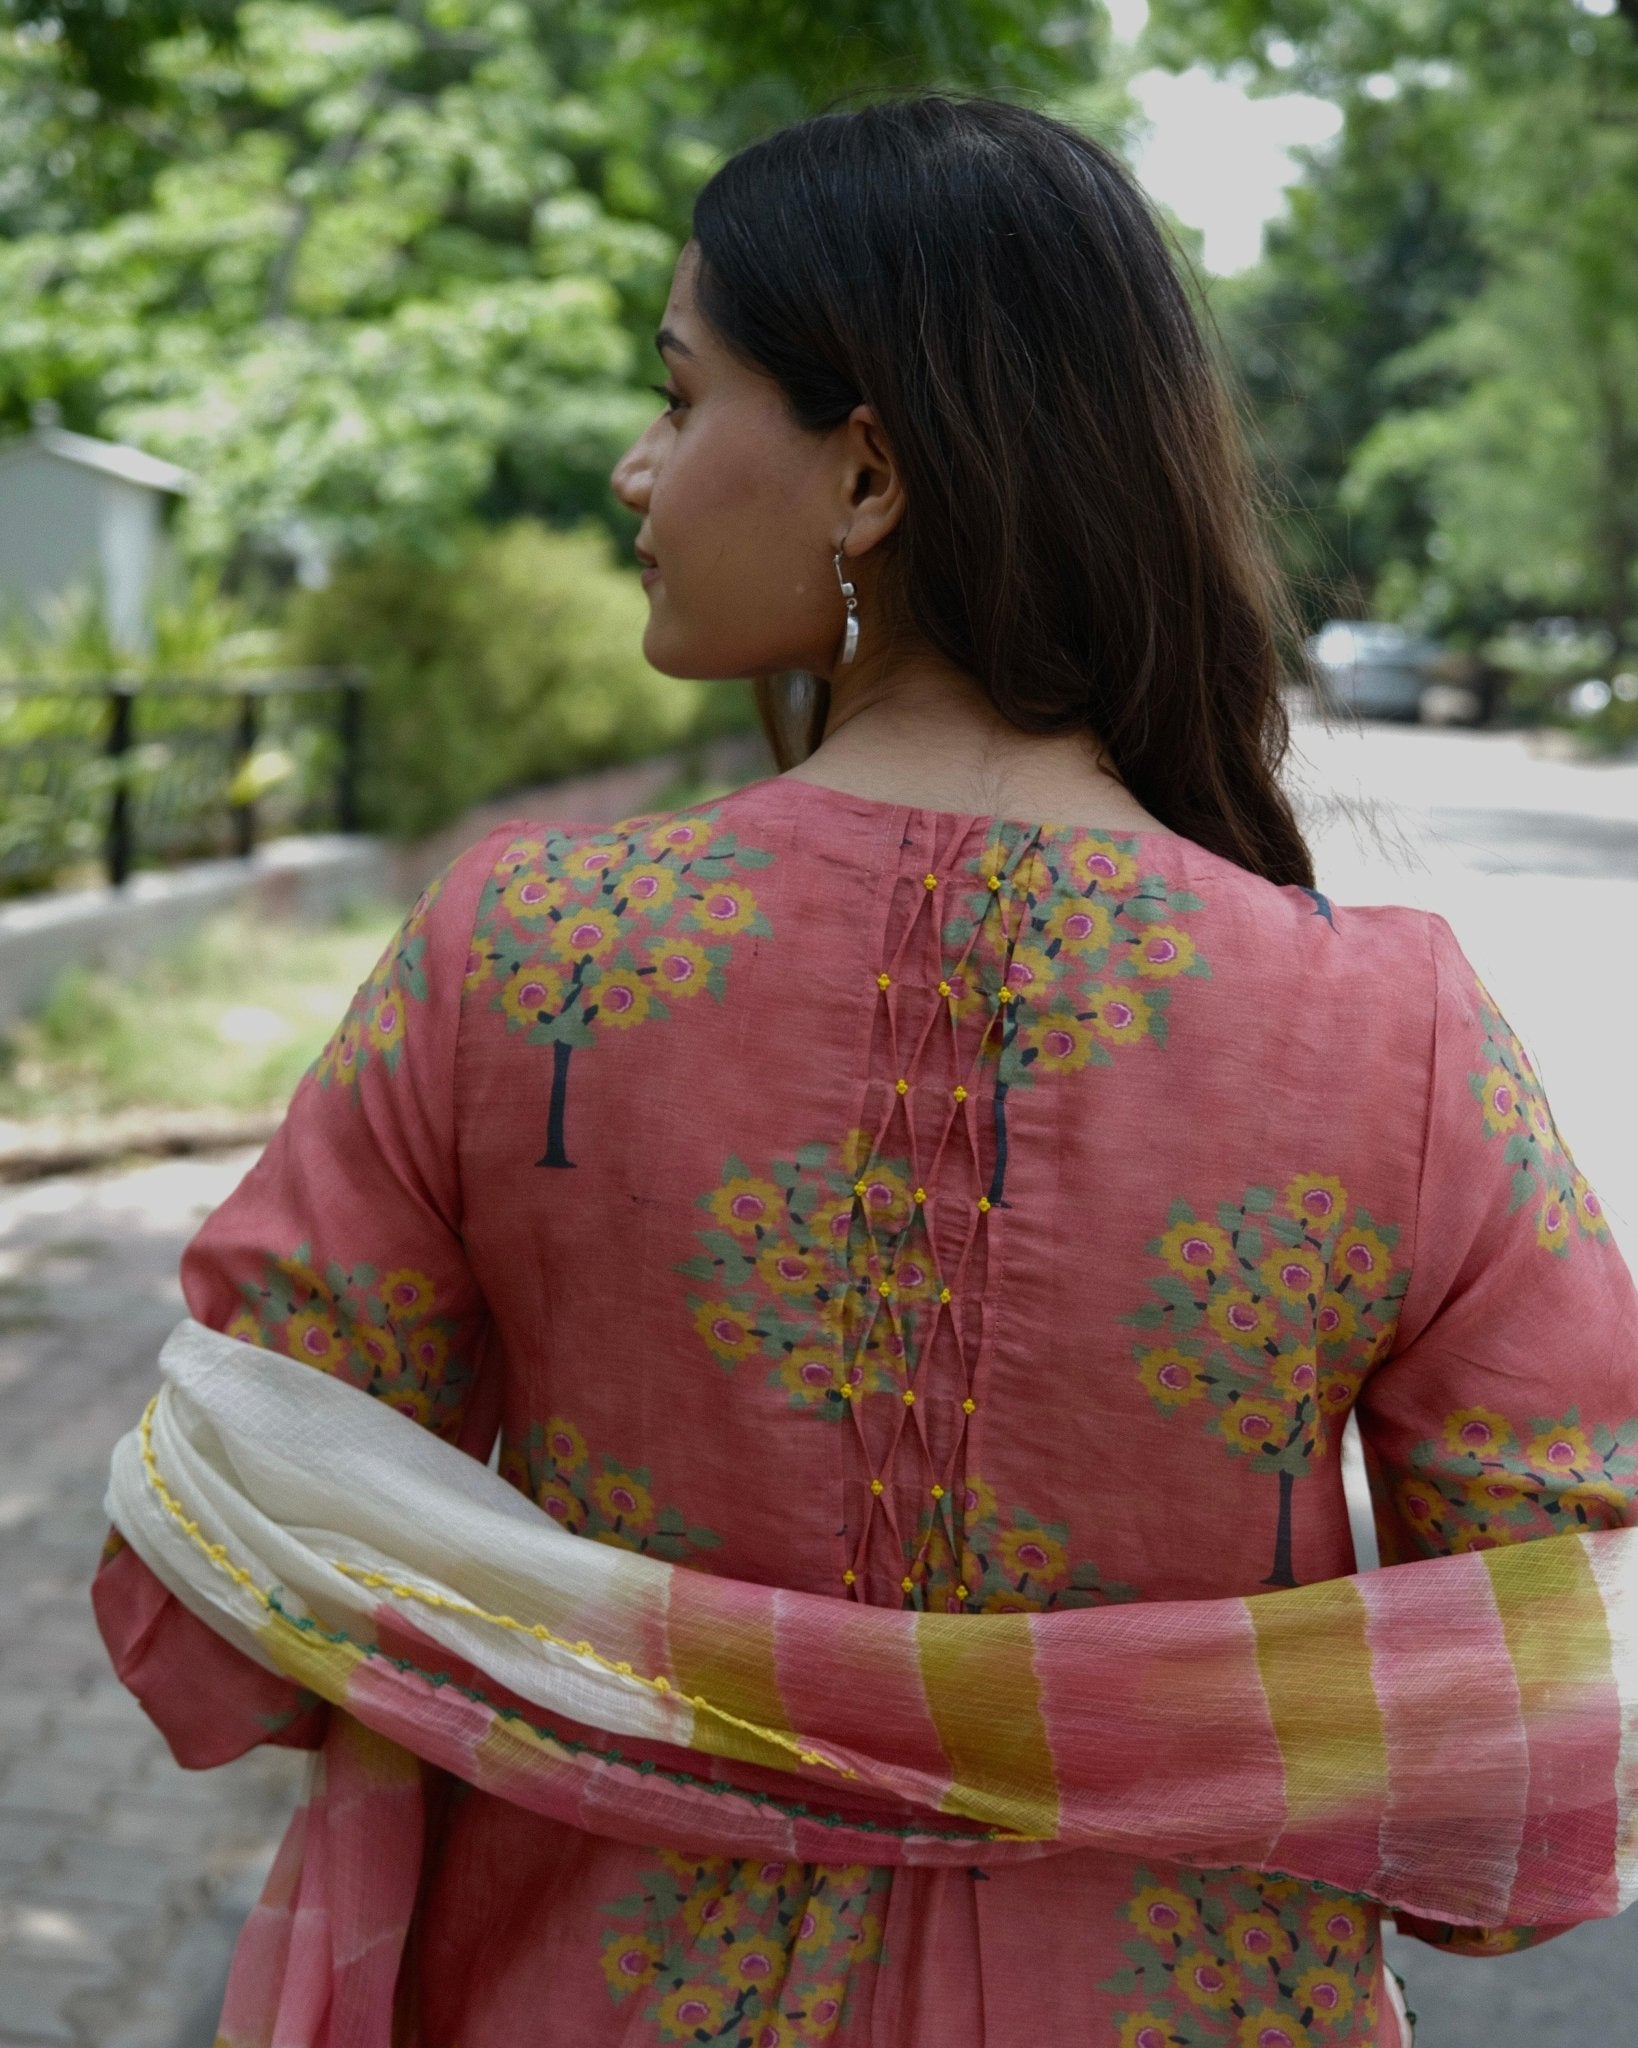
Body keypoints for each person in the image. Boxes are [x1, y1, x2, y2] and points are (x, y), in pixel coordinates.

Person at [93, 95, 1638, 2046]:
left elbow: (209, 1610)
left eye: (679, 392)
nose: (635, 468)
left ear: (870, 476)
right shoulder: (1388, 1025)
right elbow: (1540, 1741)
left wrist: (595, 1680)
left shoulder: (528, 955)